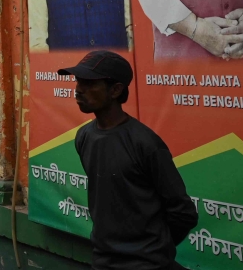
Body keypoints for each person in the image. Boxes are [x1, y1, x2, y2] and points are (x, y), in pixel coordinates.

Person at [59, 51, 198, 269]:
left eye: (88, 83)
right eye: (78, 81)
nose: (78, 89)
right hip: (104, 261)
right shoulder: (84, 137)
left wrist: (151, 250)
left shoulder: (145, 143)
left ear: (115, 90)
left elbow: (183, 213)